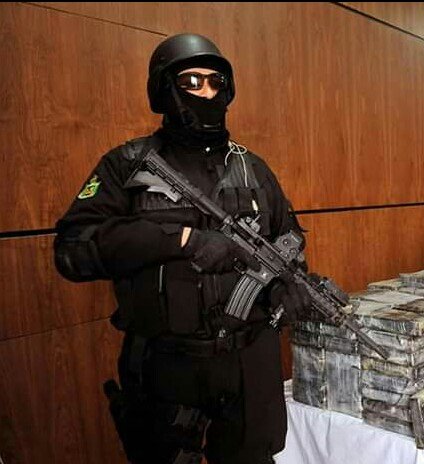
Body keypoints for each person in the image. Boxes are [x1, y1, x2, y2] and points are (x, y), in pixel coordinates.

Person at [54, 33, 311, 464]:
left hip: (250, 362)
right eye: (191, 81)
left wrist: (289, 286)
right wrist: (182, 241)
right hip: (167, 366)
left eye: (216, 82)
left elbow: (289, 243)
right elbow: (72, 251)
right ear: (163, 89)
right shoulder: (127, 165)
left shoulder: (253, 168)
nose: (206, 93)